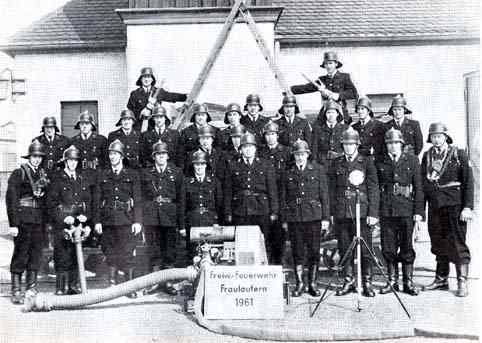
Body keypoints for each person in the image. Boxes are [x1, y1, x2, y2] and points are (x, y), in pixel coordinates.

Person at [421, 123, 474, 297]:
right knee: (438, 241)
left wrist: (467, 207)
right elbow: (423, 184)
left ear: (445, 137)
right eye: (433, 136)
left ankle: (462, 281)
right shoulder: (427, 156)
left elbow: (468, 182)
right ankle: (441, 278)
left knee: (457, 243)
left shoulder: (458, 154)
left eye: (439, 136)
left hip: (454, 205)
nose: (436, 139)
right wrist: (421, 210)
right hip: (435, 206)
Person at [329, 127, 379, 297]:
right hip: (342, 211)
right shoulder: (336, 163)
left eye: (352, 144)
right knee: (345, 248)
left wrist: (373, 213)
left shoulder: (366, 162)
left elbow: (373, 188)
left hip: (362, 211)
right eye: (346, 144)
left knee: (366, 249)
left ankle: (367, 281)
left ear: (357, 145)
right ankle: (348, 280)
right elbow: (331, 189)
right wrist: (331, 213)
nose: (349, 147)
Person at [376, 128, 424, 296]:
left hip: (406, 209)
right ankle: (392, 281)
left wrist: (418, 212)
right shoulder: (379, 161)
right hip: (387, 210)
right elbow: (375, 188)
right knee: (388, 247)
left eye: (396, 143)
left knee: (407, 246)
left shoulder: (412, 160)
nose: (393, 146)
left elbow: (419, 187)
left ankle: (408, 282)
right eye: (390, 143)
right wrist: (375, 212)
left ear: (402, 144)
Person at [93, 139, 142, 298]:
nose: (112, 157)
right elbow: (96, 199)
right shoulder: (103, 174)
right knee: (110, 251)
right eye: (111, 154)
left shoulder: (132, 175)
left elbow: (138, 200)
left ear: (122, 156)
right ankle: (112, 283)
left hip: (126, 219)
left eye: (116, 154)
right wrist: (97, 221)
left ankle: (129, 286)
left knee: (128, 252)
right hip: (108, 219)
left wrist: (137, 221)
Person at [280, 140, 330, 297]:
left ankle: (312, 283)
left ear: (308, 155)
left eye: (302, 154)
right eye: (297, 155)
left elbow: (324, 196)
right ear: (294, 156)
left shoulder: (318, 170)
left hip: (314, 217)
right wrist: (284, 220)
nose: (300, 158)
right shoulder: (287, 173)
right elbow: (283, 198)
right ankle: (300, 283)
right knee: (298, 251)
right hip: (294, 218)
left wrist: (325, 219)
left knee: (314, 251)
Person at [46, 145, 95, 295]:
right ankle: (61, 287)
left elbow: (88, 201)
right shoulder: (57, 179)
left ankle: (73, 285)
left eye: (75, 160)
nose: (73, 163)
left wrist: (85, 216)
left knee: (75, 255)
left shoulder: (81, 179)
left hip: (78, 224)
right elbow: (51, 204)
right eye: (70, 160)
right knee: (62, 255)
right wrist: (63, 217)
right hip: (62, 223)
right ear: (65, 161)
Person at [224, 132, 279, 262]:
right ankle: (245, 268)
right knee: (243, 240)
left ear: (255, 148)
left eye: (250, 146)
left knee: (263, 239)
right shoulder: (233, 166)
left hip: (261, 209)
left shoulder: (265, 165)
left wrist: (274, 211)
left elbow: (272, 190)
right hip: (240, 209)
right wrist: (228, 212)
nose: (248, 149)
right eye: (245, 147)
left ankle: (264, 267)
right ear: (240, 149)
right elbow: (228, 191)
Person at [6, 140, 49, 304]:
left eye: (39, 156)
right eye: (34, 156)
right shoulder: (19, 173)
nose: (37, 159)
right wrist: (13, 224)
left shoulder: (43, 175)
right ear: (29, 156)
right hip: (23, 220)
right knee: (21, 254)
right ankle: (16, 289)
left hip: (38, 220)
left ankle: (31, 288)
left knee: (35, 254)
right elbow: (11, 199)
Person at [141, 141, 184, 295]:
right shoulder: (146, 173)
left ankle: (169, 282)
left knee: (170, 250)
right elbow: (141, 198)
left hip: (169, 215)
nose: (161, 157)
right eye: (158, 154)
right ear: (154, 157)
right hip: (151, 215)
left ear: (167, 156)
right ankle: (154, 282)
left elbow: (181, 199)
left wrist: (181, 222)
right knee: (153, 248)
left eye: (163, 154)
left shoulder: (177, 172)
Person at [290, 51, 358, 124]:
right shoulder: (322, 80)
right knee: (316, 129)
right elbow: (305, 88)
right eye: (326, 64)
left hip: (341, 112)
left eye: (330, 63)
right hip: (326, 112)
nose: (328, 66)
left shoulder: (344, 77)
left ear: (336, 64)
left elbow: (353, 93)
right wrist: (288, 89)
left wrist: (337, 95)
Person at [181, 150, 223, 261]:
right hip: (192, 221)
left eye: (202, 164)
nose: (199, 167)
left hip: (210, 221)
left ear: (206, 165)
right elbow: (182, 205)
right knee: (193, 253)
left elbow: (219, 204)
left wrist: (218, 222)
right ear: (193, 166)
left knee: (212, 251)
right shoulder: (186, 182)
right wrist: (182, 227)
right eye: (197, 164)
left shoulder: (214, 182)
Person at [258, 121, 290, 265]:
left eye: (273, 134)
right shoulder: (260, 152)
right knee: (266, 232)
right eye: (267, 135)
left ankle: (279, 262)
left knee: (280, 232)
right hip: (265, 197)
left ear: (277, 136)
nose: (270, 138)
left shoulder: (286, 152)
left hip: (282, 194)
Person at [127, 67, 187, 132]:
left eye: (149, 77)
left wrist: (185, 96)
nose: (146, 79)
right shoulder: (135, 94)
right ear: (141, 79)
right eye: (144, 77)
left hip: (155, 127)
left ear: (152, 79)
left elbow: (171, 96)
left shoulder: (158, 92)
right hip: (140, 127)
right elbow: (130, 111)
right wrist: (141, 112)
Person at [311, 100, 348, 167]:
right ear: (325, 114)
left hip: (339, 164)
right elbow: (314, 148)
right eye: (328, 112)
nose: (331, 115)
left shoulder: (345, 129)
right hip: (322, 164)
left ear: (337, 114)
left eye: (333, 112)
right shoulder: (318, 129)